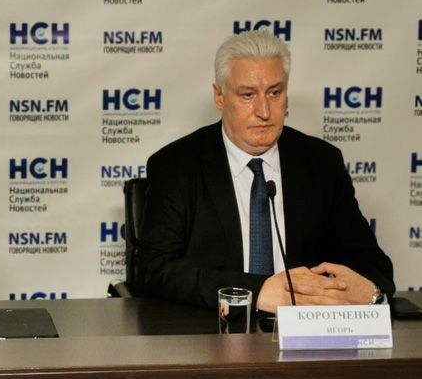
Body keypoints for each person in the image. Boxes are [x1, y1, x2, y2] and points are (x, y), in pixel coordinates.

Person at [135, 31, 394, 312]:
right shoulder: (177, 165)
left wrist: (370, 292)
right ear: (219, 96)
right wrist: (256, 292)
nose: (264, 111)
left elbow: (373, 265)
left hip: (306, 331)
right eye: (248, 95)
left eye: (274, 93)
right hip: (213, 329)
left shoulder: (321, 163)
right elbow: (155, 269)